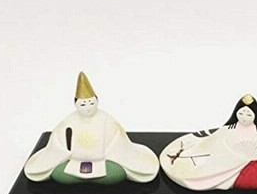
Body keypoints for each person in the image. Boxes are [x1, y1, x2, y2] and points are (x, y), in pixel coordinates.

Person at [24, 72, 159, 184]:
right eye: (83, 104)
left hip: (104, 162)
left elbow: (118, 141)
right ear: (76, 104)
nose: (88, 108)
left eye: (91, 103)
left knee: (116, 173)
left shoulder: (106, 119)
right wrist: (67, 152)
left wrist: (107, 153)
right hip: (74, 162)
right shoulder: (69, 121)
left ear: (97, 101)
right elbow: (57, 143)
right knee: (59, 173)